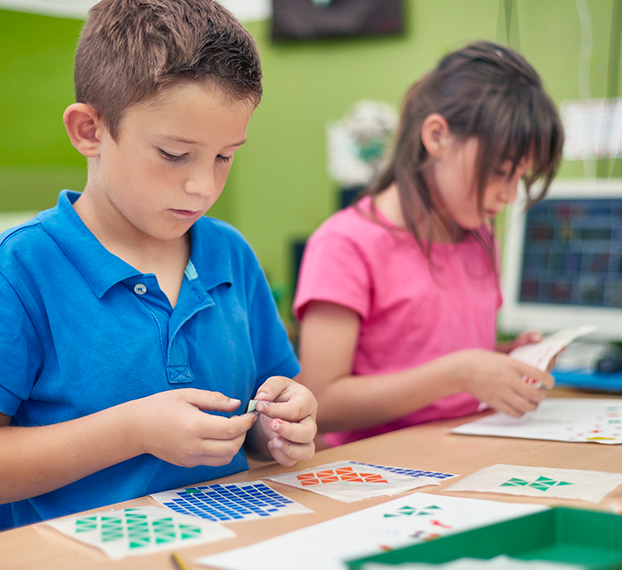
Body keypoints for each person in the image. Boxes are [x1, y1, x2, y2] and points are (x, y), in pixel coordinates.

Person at [0, 0, 317, 527]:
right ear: (89, 131)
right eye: (174, 154)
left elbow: (261, 430)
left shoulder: (230, 253)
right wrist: (133, 430)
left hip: (229, 542)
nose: (203, 186)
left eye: (224, 156)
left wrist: (284, 426)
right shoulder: (23, 269)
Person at [293, 41, 564, 448]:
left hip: (467, 451)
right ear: (437, 136)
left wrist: (507, 361)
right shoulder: (344, 244)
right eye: (501, 171)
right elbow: (319, 404)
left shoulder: (478, 235)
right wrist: (459, 373)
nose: (509, 195)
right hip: (378, 471)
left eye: (519, 178)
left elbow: (437, 350)